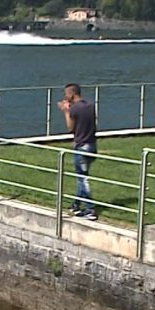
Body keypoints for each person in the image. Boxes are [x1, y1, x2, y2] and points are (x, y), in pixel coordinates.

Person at [58, 83, 98, 221]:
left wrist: (66, 111)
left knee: (82, 179)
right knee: (81, 176)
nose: (65, 96)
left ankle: (90, 209)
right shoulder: (91, 105)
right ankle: (76, 205)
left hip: (81, 147)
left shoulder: (74, 109)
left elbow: (70, 128)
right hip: (92, 145)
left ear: (72, 94)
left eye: (66, 94)